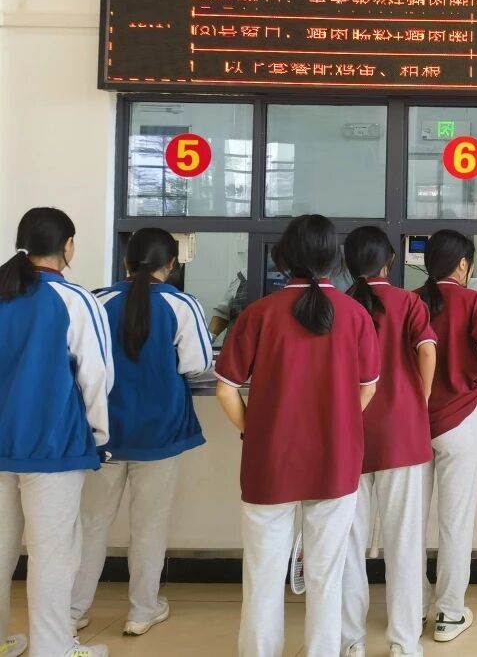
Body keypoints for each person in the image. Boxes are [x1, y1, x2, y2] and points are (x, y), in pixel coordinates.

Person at [214, 215, 380, 657]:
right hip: (336, 460)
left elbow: (225, 388)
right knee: (327, 575)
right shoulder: (355, 314)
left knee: (262, 574)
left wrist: (255, 430)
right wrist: (339, 423)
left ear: (283, 258)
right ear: (334, 259)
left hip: (269, 461)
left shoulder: (258, 314)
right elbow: (368, 387)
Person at [71, 229, 212, 638]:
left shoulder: (97, 301)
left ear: (126, 262)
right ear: (172, 264)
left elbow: (78, 362)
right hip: (160, 434)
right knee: (150, 526)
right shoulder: (181, 304)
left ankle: (72, 611)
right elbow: (198, 364)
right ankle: (142, 610)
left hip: (102, 434)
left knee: (90, 524)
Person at [0, 207, 113, 657]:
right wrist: (98, 437)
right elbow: (96, 376)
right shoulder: (75, 300)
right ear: (68, 246)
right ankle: (53, 649)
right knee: (53, 555)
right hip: (52, 446)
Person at [340, 226, 437, 657]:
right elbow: (427, 350)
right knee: (404, 542)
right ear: (389, 262)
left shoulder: (339, 305)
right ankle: (403, 643)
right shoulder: (408, 302)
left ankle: (351, 641)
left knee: (348, 544)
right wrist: (421, 397)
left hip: (349, 436)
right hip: (401, 435)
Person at [416, 230, 477, 643]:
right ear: (464, 264)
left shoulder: (411, 300)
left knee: (411, 522)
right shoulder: (473, 301)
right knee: (455, 521)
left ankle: (412, 608)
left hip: (415, 423)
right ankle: (449, 614)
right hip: (460, 420)